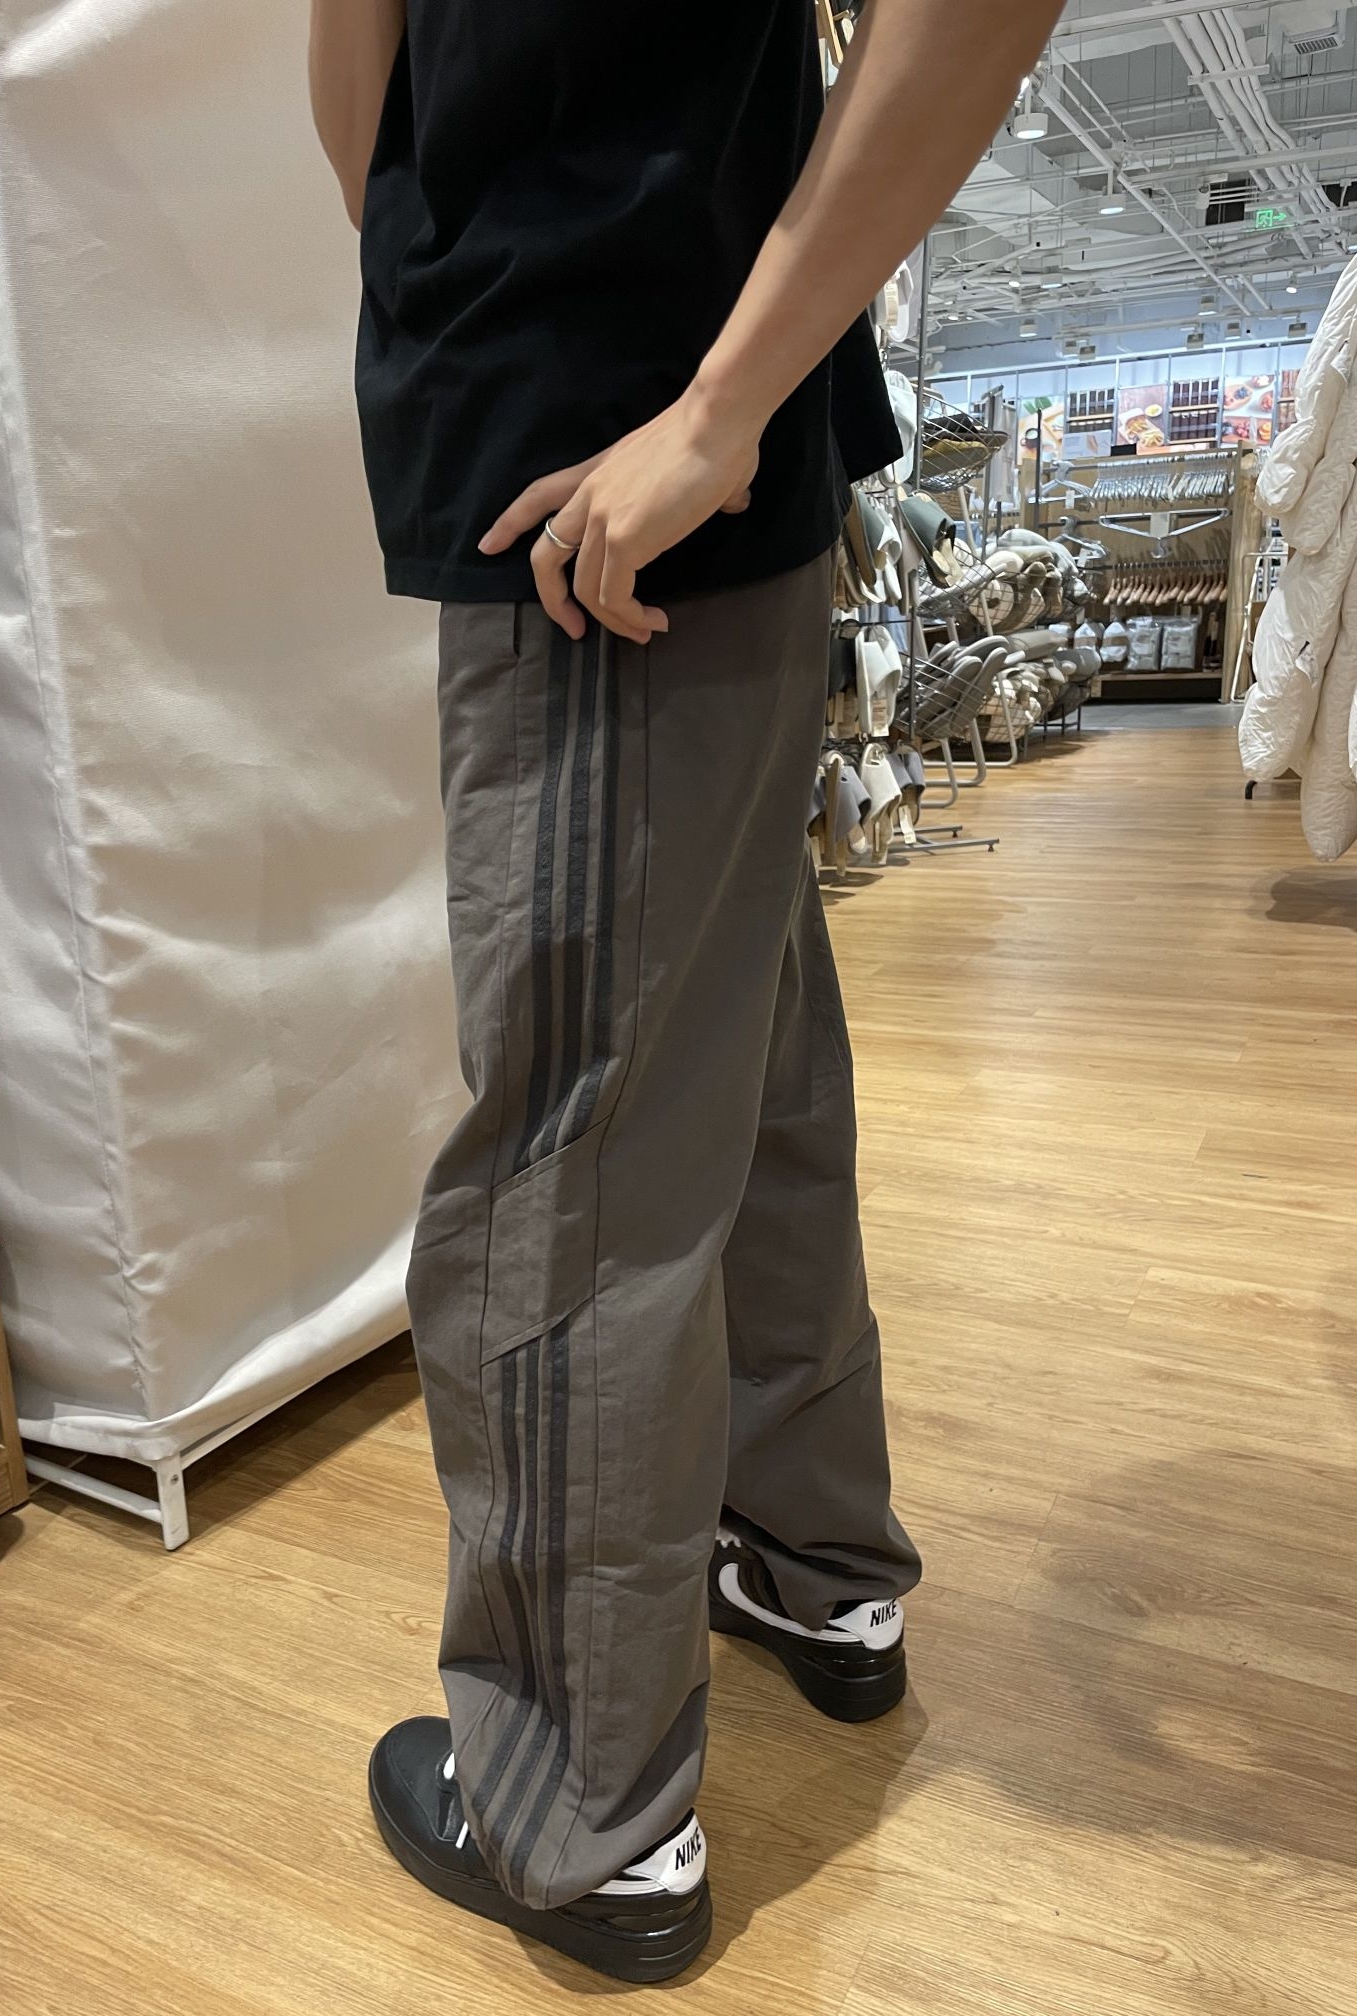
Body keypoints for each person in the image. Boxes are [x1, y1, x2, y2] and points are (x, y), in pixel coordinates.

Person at [310, 0, 1062, 1982]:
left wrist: (696, 402)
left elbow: (363, 118)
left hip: (601, 469)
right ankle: (810, 1566)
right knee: (746, 1064)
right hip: (668, 407)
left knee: (579, 1159)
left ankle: (584, 1807)